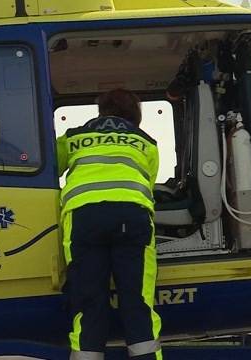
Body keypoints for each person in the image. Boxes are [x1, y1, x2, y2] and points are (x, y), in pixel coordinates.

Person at [56, 89, 162, 360]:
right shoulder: (146, 142)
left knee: (88, 302)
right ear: (135, 116)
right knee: (137, 302)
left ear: (101, 112)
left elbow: (48, 168)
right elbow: (148, 184)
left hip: (83, 218)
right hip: (131, 215)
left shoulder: (73, 137)